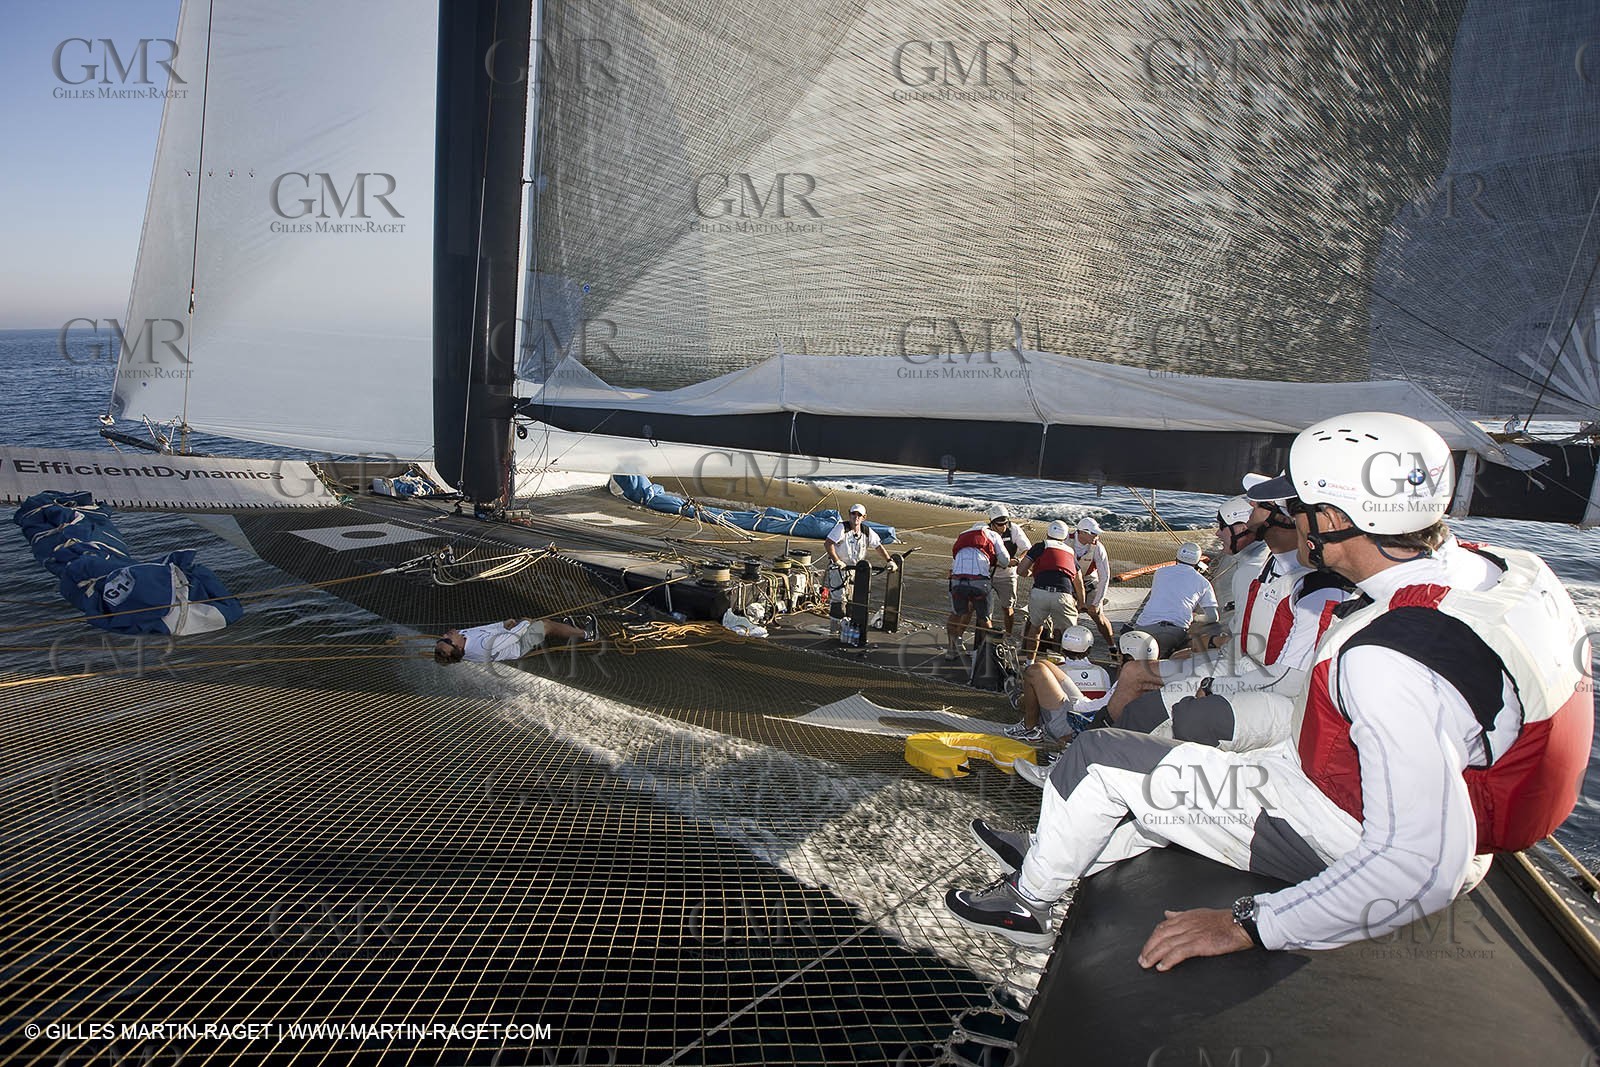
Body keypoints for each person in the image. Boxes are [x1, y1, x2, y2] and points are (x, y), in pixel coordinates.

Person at [947, 411, 1591, 967]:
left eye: (1300, 508)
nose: (1288, 523)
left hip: (1341, 832)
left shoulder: (1388, 658)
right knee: (1169, 771)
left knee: (1096, 760)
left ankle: (1026, 907)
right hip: (1369, 791)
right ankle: (1057, 853)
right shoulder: (1513, 572)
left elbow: (1421, 866)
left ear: (1336, 518)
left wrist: (1249, 925)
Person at [1117, 487, 1353, 751]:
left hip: (1275, 688)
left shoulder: (1316, 586)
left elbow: (1288, 679)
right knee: (1145, 711)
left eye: (1258, 506)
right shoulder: (1271, 566)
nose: (1251, 505)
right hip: (1246, 666)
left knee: (1183, 718)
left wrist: (1215, 684)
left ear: (1285, 518)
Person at [1004, 624, 1114, 746]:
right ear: (1089, 649)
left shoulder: (1056, 672)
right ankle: (1020, 702)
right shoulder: (1102, 672)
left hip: (1066, 721)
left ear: (1062, 648)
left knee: (1033, 683)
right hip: (1094, 722)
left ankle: (1022, 711)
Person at [1189, 493, 1268, 650]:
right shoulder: (1267, 557)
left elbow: (1243, 645)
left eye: (1222, 526)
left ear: (1240, 528)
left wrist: (1210, 642)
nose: (1217, 533)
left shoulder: (1249, 572)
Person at [1126, 543, 1218, 658]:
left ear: (1177, 557)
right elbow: (1213, 617)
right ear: (1198, 562)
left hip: (1145, 627)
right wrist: (1196, 617)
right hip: (1175, 631)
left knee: (1136, 657)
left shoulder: (1160, 572)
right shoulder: (1204, 582)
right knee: (1163, 659)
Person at [824, 503, 897, 638]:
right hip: (839, 568)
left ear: (864, 517)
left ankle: (848, 625)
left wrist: (889, 560)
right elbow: (828, 543)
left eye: (859, 515)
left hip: (855, 569)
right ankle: (834, 629)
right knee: (839, 598)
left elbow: (878, 546)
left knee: (853, 598)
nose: (855, 517)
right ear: (849, 514)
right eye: (853, 514)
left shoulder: (867, 531)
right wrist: (837, 560)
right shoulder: (841, 528)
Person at [1017, 520, 1086, 659]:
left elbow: (1020, 570)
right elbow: (1079, 582)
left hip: (1040, 593)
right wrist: (1081, 603)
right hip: (1063, 595)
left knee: (1035, 628)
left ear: (1048, 533)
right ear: (1065, 537)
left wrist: (1030, 574)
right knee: (1070, 633)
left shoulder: (1040, 546)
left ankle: (1030, 662)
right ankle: (1071, 664)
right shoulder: (1070, 552)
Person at [946, 514, 1010, 661]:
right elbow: (1005, 560)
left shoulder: (962, 535)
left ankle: (951, 650)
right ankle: (989, 656)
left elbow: (955, 557)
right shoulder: (992, 535)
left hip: (958, 580)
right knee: (984, 618)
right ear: (990, 525)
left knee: (955, 614)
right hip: (979, 581)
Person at [435, 616, 590, 664]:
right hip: (517, 645)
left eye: (442, 639)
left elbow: (484, 629)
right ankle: (587, 634)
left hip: (506, 638)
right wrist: (524, 623)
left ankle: (568, 630)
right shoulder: (483, 647)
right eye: (447, 640)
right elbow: (513, 637)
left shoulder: (461, 636)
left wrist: (502, 624)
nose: (444, 635)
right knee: (545, 625)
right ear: (458, 647)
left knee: (540, 623)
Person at [1070, 517, 1116, 650]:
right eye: (1093, 533)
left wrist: (1096, 603)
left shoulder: (1098, 548)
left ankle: (1112, 646)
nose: (1097, 536)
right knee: (1064, 617)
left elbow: (1105, 577)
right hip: (1069, 584)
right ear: (1082, 533)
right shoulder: (1066, 541)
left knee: (1098, 617)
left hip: (1089, 583)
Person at [987, 505, 1032, 639]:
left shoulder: (1014, 530)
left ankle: (1008, 635)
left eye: (1005, 523)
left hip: (1008, 575)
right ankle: (987, 634)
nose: (1003, 527)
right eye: (999, 524)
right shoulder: (986, 531)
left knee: (1007, 608)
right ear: (992, 522)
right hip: (988, 574)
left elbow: (1027, 549)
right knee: (985, 609)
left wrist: (1018, 560)